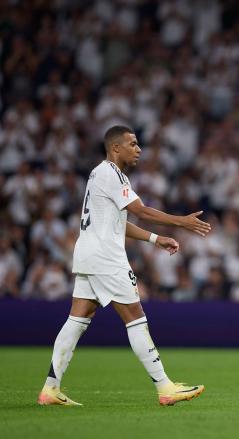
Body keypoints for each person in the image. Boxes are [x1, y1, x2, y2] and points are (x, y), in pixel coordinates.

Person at [38, 126, 211, 407]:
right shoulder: (110, 173)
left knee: (77, 319)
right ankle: (165, 387)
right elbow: (140, 210)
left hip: (88, 254)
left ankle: (50, 389)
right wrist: (182, 222)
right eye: (133, 143)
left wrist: (155, 239)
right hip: (107, 258)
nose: (138, 148)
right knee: (135, 316)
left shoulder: (99, 173)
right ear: (115, 148)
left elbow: (120, 221)